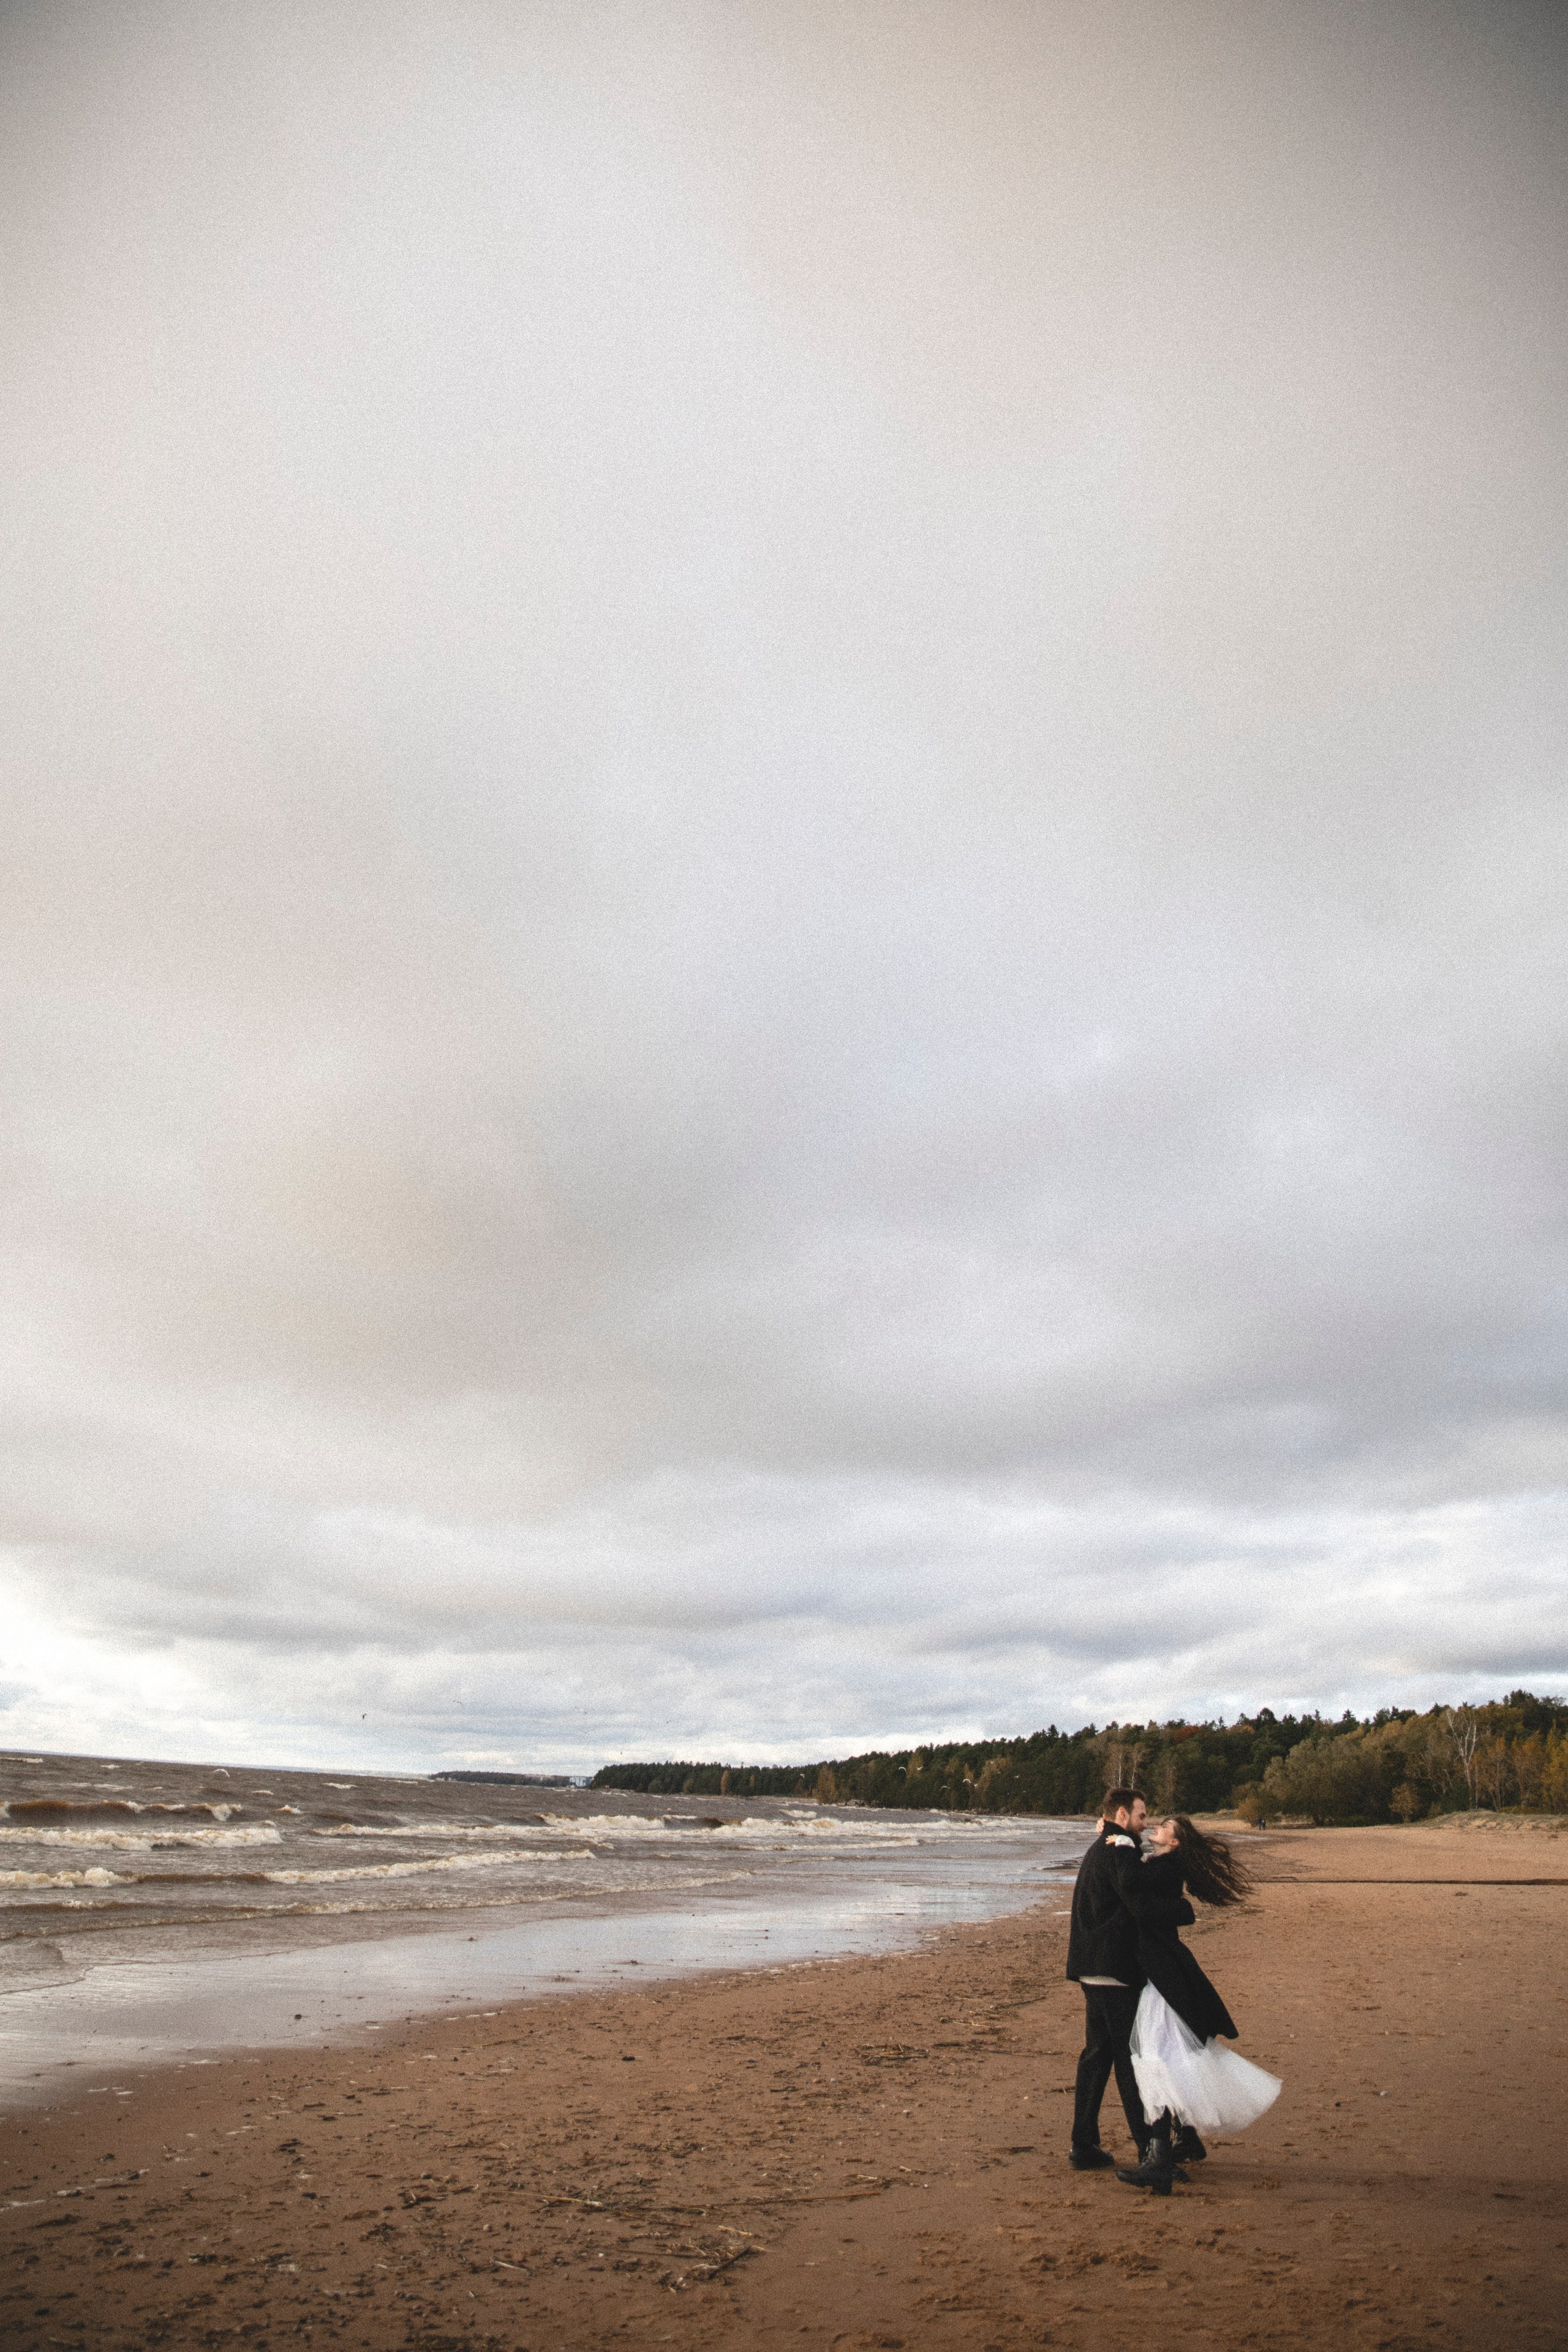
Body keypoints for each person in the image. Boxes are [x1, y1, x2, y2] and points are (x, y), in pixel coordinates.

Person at [1114, 1814, 1281, 2195]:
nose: (1156, 1827)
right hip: (1164, 1973)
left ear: (1175, 1843)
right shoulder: (1163, 1865)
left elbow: (1130, 1889)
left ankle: (1160, 2159)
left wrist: (1124, 1845)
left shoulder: (1166, 1866)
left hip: (1164, 1976)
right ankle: (1185, 2139)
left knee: (1157, 2057)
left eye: (1164, 1827)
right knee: (1168, 2055)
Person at [1065, 1787, 1196, 2171]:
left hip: (1092, 1965)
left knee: (1098, 2054)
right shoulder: (1118, 1850)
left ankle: (1083, 2144)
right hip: (1113, 1969)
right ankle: (1149, 2153)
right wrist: (1183, 1910)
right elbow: (1138, 1898)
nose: (1145, 1823)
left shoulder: (1106, 1848)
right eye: (1140, 1816)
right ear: (1122, 1814)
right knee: (1129, 2058)